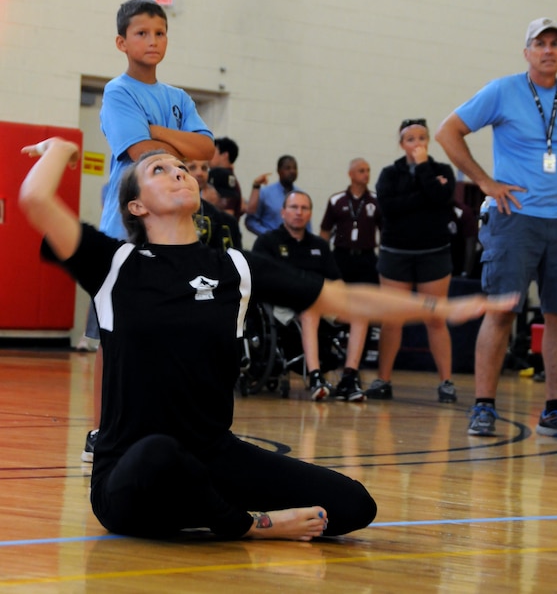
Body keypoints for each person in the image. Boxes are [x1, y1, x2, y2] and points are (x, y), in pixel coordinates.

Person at [19, 138, 515, 541]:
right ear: (136, 205)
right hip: (131, 478)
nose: (178, 173)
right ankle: (248, 525)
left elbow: (346, 299)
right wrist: (62, 147)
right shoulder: (113, 264)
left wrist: (444, 307)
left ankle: (206, 511)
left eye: (182, 168)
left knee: (352, 505)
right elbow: (36, 199)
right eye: (158, 171)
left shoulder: (234, 267)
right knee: (158, 453)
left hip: (214, 457)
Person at [82, 0, 215, 462]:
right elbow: (143, 152)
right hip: (125, 232)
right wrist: (171, 143)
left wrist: (161, 131)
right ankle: (101, 431)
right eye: (141, 33)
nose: (152, 41)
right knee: (113, 340)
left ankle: (155, 424)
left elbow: (206, 150)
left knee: (162, 334)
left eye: (159, 33)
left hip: (171, 236)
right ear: (122, 41)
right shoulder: (118, 92)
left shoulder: (177, 99)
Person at [435, 17, 557, 437]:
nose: (548, 50)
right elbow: (447, 132)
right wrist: (484, 182)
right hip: (514, 219)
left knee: (555, 316)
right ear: (527, 52)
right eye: (539, 43)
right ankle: (484, 405)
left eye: (555, 44)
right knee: (503, 310)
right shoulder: (504, 90)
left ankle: (553, 409)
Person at [369, 119, 457, 404]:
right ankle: (383, 380)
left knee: (435, 318)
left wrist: (422, 170)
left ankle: (446, 382)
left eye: (422, 138)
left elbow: (441, 199)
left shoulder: (442, 170)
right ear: (401, 143)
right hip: (397, 253)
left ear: (428, 142)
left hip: (434, 252)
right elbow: (390, 208)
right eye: (410, 139)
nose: (416, 143)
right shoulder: (389, 174)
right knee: (392, 319)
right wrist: (425, 195)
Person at [252, 190, 342, 401]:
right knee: (310, 309)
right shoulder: (267, 242)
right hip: (282, 306)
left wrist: (344, 299)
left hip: (321, 302)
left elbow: (337, 282)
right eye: (294, 207)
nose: (299, 212)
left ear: (310, 214)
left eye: (304, 208)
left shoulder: (319, 245)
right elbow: (259, 281)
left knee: (358, 313)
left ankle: (349, 377)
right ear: (283, 212)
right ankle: (315, 376)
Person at [320, 157, 381, 401]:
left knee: (364, 309)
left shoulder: (376, 201)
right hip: (341, 257)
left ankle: (355, 368)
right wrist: (322, 260)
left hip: (366, 259)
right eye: (361, 170)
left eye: (368, 170)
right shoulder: (337, 200)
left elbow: (384, 231)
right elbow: (325, 232)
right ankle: (337, 359)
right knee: (341, 307)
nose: (366, 174)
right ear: (351, 174)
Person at [187, 159, 242, 250]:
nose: (200, 173)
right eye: (192, 167)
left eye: (204, 168)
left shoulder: (218, 216)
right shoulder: (174, 209)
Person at [245, 155, 307, 236]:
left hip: (295, 245)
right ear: (279, 171)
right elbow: (251, 221)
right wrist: (269, 235)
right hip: (269, 244)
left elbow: (306, 225)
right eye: (287, 168)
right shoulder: (265, 193)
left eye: (294, 168)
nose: (292, 171)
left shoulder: (301, 196)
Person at [208, 137, 245, 220]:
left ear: (225, 155)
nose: (209, 156)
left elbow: (228, 211)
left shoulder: (219, 174)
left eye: (213, 152)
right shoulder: (231, 176)